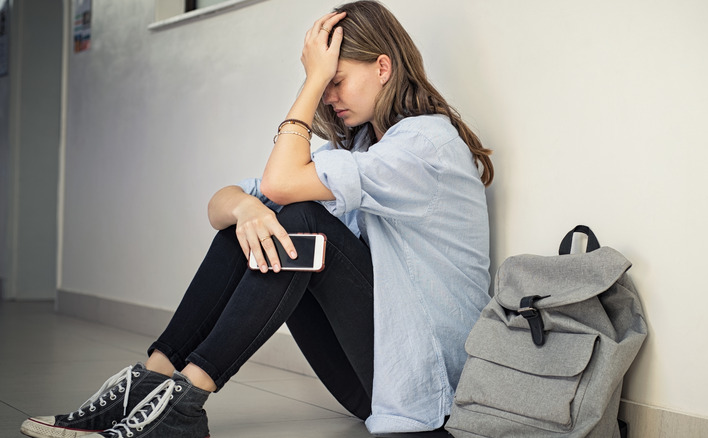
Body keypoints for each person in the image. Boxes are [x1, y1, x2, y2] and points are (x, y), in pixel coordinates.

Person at [20, 1, 494, 437]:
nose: (328, 97)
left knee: (299, 217)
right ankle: (154, 380)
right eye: (322, 85)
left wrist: (309, 82)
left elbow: (283, 185)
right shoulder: (360, 149)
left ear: (382, 67)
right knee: (255, 221)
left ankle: (183, 403)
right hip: (375, 382)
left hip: (426, 385)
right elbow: (223, 204)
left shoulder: (424, 146)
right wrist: (246, 209)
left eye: (336, 80)